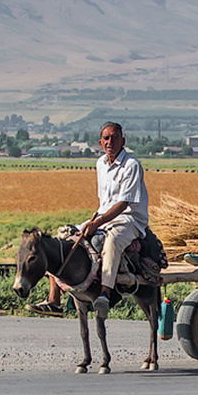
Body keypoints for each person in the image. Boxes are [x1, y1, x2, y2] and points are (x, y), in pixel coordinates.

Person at [27, 121, 149, 317]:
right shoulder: (100, 163)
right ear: (101, 143)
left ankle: (104, 293)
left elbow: (124, 204)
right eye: (106, 138)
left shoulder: (131, 165)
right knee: (61, 237)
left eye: (115, 137)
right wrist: (93, 222)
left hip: (129, 220)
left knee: (112, 241)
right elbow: (104, 203)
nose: (111, 142)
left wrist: (96, 224)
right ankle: (54, 299)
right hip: (103, 217)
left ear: (123, 140)